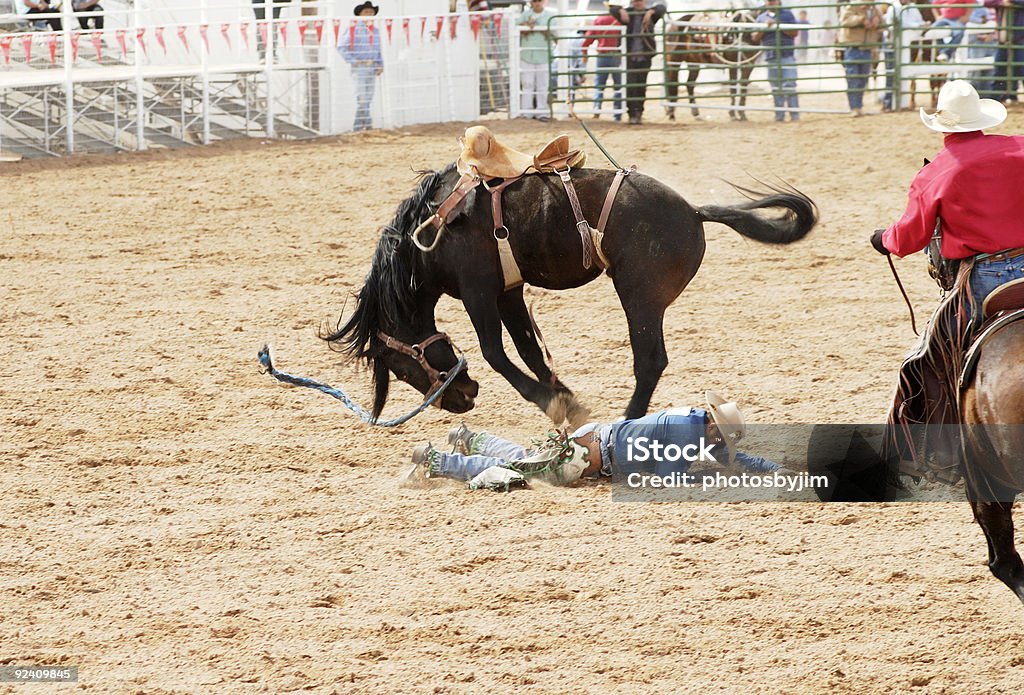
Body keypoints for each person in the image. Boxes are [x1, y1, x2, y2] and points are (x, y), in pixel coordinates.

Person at [869, 80, 1024, 476]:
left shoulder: (937, 172)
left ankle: (929, 454)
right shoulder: (1019, 148)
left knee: (925, 359)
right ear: (981, 119)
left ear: (942, 126)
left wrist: (883, 240)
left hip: (986, 278)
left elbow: (909, 237)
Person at [404, 391, 781, 490]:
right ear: (716, 429)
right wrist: (708, 477)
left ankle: (468, 438)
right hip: (587, 457)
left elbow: (730, 457)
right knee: (517, 472)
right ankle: (439, 461)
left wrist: (769, 468)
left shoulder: (693, 422)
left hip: (593, 440)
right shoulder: (687, 433)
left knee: (525, 458)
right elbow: (672, 479)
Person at [610, 0, 667, 125]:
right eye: (635, 1)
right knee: (630, 85)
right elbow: (611, 8)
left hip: (644, 56)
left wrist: (651, 12)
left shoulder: (651, 14)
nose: (637, 3)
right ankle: (632, 113)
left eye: (639, 1)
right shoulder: (628, 13)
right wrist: (620, 9)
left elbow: (662, 7)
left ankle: (638, 113)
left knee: (641, 85)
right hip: (630, 56)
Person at [339, 2, 384, 133]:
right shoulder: (352, 29)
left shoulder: (375, 31)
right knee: (362, 98)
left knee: (367, 98)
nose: (369, 14)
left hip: (372, 66)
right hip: (360, 67)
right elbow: (341, 47)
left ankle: (363, 128)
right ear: (359, 14)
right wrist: (354, 61)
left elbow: (377, 49)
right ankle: (362, 127)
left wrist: (380, 64)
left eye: (371, 12)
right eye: (366, 12)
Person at [753, 0, 800, 122]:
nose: (771, 3)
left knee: (789, 84)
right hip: (771, 56)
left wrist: (777, 25)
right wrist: (764, 28)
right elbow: (754, 37)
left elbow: (795, 32)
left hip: (786, 54)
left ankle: (794, 114)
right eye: (769, 1)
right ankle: (780, 115)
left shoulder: (787, 14)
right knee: (775, 87)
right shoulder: (761, 18)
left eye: (773, 1)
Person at [837, 0, 884, 117]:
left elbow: (883, 24)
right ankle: (854, 107)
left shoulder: (874, 9)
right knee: (853, 79)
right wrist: (861, 19)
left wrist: (878, 22)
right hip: (853, 47)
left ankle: (858, 107)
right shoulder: (852, 7)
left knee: (862, 80)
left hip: (867, 48)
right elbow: (845, 21)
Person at [582, 6, 625, 121]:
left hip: (602, 55)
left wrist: (584, 53)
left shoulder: (599, 20)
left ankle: (597, 108)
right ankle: (617, 113)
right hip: (617, 55)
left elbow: (588, 39)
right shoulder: (621, 20)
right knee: (618, 86)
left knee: (599, 84)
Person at [881, 0, 925, 111]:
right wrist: (918, 25)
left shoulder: (913, 8)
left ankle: (895, 102)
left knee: (902, 72)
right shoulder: (893, 8)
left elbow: (920, 21)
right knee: (891, 73)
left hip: (907, 44)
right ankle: (888, 103)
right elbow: (899, 24)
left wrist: (921, 24)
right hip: (893, 44)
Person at [517, 0, 558, 120]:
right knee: (527, 84)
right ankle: (526, 112)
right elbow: (515, 27)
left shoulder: (550, 16)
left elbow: (556, 33)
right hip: (527, 54)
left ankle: (542, 112)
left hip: (543, 54)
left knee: (542, 85)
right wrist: (526, 25)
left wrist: (542, 29)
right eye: (534, 1)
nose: (536, 3)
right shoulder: (525, 15)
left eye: (539, 0)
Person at [983, 0, 1024, 104]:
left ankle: (1008, 95)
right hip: (1004, 39)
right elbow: (987, 2)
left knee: (1020, 68)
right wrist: (1002, 2)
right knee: (1000, 68)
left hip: (1019, 37)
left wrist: (1011, 1)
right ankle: (995, 99)